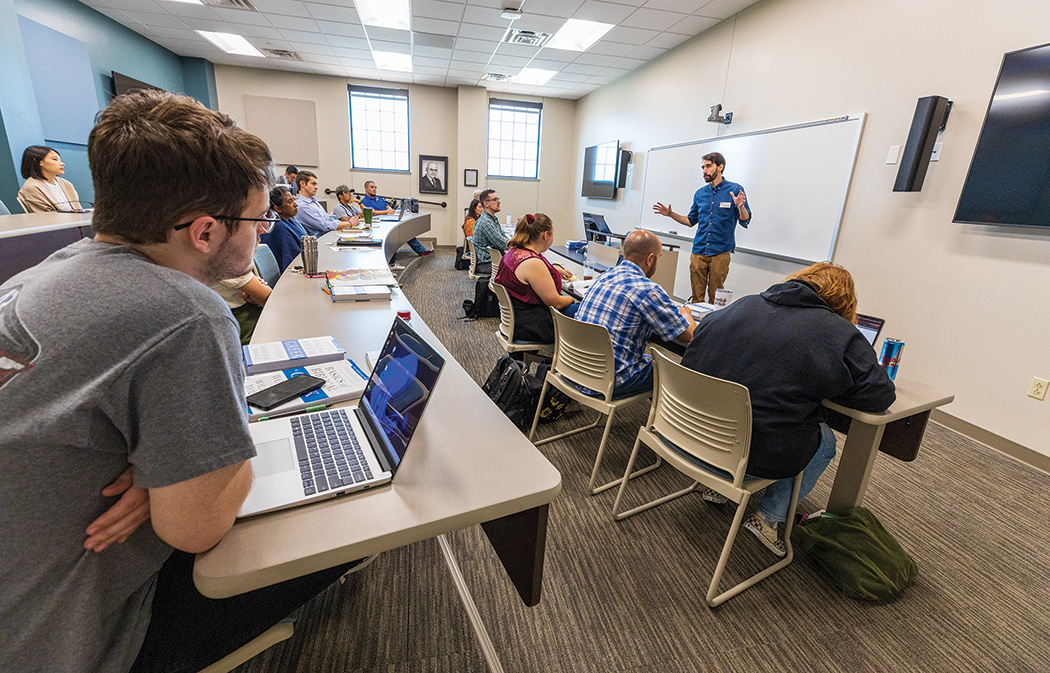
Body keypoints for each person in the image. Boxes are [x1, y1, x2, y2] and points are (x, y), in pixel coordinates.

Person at [0, 89, 354, 673]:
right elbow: (195, 527)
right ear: (206, 232)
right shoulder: (188, 313)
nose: (264, 235)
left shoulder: (44, 274)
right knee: (347, 515)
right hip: (81, 641)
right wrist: (184, 465)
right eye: (258, 220)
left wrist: (163, 462)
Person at [681, 262, 895, 555]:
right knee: (826, 439)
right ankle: (768, 518)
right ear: (843, 302)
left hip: (689, 437)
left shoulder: (740, 305)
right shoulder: (838, 331)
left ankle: (718, 488)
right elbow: (879, 395)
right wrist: (831, 380)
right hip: (751, 455)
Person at [575, 229, 696, 398]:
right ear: (650, 259)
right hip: (607, 380)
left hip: (575, 369)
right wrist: (686, 314)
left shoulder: (605, 276)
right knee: (675, 370)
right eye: (659, 258)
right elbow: (688, 335)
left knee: (649, 358)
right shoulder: (648, 290)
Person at [652, 151, 751, 303]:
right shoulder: (700, 194)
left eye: (709, 166)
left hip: (720, 252)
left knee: (715, 297)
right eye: (703, 167)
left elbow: (745, 220)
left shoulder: (735, 190)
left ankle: (712, 325)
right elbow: (690, 221)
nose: (704, 171)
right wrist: (671, 214)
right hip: (698, 250)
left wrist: (740, 207)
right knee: (696, 297)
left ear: (720, 167)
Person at [493, 213, 575, 344]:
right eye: (552, 234)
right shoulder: (533, 263)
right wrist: (574, 299)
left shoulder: (514, 252)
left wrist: (553, 271)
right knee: (581, 310)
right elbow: (556, 303)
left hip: (516, 318)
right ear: (545, 235)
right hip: (532, 324)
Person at [361, 181, 430, 256]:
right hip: (379, 223)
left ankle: (421, 250)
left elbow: (389, 208)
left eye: (375, 187)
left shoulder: (379, 198)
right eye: (372, 187)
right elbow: (372, 213)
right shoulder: (364, 201)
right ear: (366, 189)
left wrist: (391, 211)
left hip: (388, 220)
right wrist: (387, 212)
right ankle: (419, 251)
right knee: (401, 231)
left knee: (405, 230)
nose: (374, 189)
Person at [209, 265, 272, 345]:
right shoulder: (224, 257)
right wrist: (255, 290)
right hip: (237, 317)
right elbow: (270, 301)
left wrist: (253, 286)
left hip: (236, 305)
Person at [17, 145, 85, 212]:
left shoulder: (66, 183)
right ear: (39, 162)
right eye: (55, 159)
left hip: (78, 221)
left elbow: (78, 209)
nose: (62, 163)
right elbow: (48, 217)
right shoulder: (32, 188)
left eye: (60, 160)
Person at [260, 185, 308, 274]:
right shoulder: (280, 228)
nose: (295, 204)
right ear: (277, 208)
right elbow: (292, 263)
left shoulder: (290, 221)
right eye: (290, 202)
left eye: (294, 200)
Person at [294, 170, 344, 237]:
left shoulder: (314, 202)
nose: (316, 187)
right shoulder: (302, 206)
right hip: (320, 241)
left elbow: (328, 219)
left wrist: (346, 223)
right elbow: (325, 226)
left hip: (328, 237)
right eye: (313, 184)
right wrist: (349, 223)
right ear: (302, 183)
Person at [471, 189, 508, 276]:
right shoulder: (486, 222)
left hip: (490, 260)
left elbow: (502, 235)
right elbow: (503, 244)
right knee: (519, 270)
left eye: (498, 199)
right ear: (486, 203)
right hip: (486, 263)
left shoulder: (492, 219)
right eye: (495, 200)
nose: (499, 202)